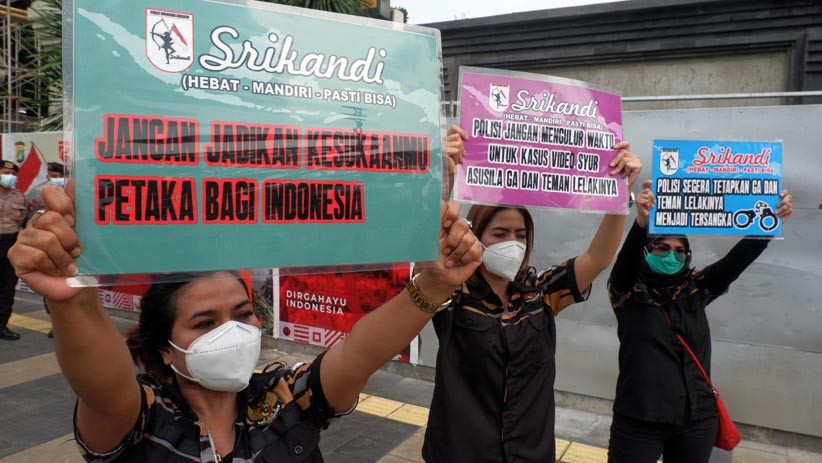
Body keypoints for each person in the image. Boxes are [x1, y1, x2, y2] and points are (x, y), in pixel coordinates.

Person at [10, 175, 481, 461]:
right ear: (164, 349)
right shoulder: (142, 416)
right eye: (204, 323)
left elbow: (360, 353)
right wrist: (72, 300)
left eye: (242, 314)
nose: (232, 331)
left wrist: (434, 285)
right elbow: (102, 385)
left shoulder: (284, 398)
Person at [422, 128, 643, 462]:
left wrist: (619, 194)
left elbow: (597, 259)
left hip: (530, 453)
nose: (513, 243)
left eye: (521, 234)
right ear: (474, 234)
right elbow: (427, 256)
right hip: (460, 452)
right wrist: (444, 179)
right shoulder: (453, 294)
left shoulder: (542, 291)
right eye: (499, 234)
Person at [606, 180, 793, 463]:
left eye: (680, 250)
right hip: (639, 420)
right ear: (647, 251)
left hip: (697, 420)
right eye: (661, 248)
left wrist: (770, 220)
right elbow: (624, 266)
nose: (671, 255)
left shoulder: (694, 288)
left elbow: (734, 263)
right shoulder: (628, 292)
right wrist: (641, 223)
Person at [25, 161, 66, 338]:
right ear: (48, 176)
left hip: (69, 248)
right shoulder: (37, 195)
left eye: (60, 176)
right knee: (50, 288)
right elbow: (29, 220)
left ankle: (68, 324)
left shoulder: (74, 194)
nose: (57, 179)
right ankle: (55, 323)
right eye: (53, 176)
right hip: (47, 248)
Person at [0, 160, 26, 341]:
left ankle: (2, 325)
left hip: (10, 244)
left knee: (7, 289)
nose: (9, 176)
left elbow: (25, 221)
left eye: (13, 174)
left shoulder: (20, 197)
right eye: (5, 172)